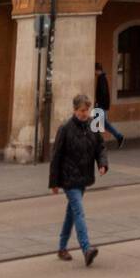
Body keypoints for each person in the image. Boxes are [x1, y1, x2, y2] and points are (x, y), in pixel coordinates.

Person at [48, 93, 107, 265]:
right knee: (79, 211)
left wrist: (102, 164)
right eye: (82, 110)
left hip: (84, 176)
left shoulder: (92, 125)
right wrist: (54, 183)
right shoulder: (65, 128)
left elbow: (100, 147)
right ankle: (86, 249)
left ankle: (62, 248)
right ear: (75, 110)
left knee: (71, 214)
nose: (85, 113)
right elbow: (56, 156)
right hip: (69, 178)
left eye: (87, 110)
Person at [94, 62, 124, 149]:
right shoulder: (102, 77)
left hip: (101, 105)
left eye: (95, 71)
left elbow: (103, 93)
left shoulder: (101, 78)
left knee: (97, 123)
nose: (94, 73)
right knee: (103, 124)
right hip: (102, 104)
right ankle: (118, 136)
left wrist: (98, 103)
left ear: (97, 70)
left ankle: (98, 143)